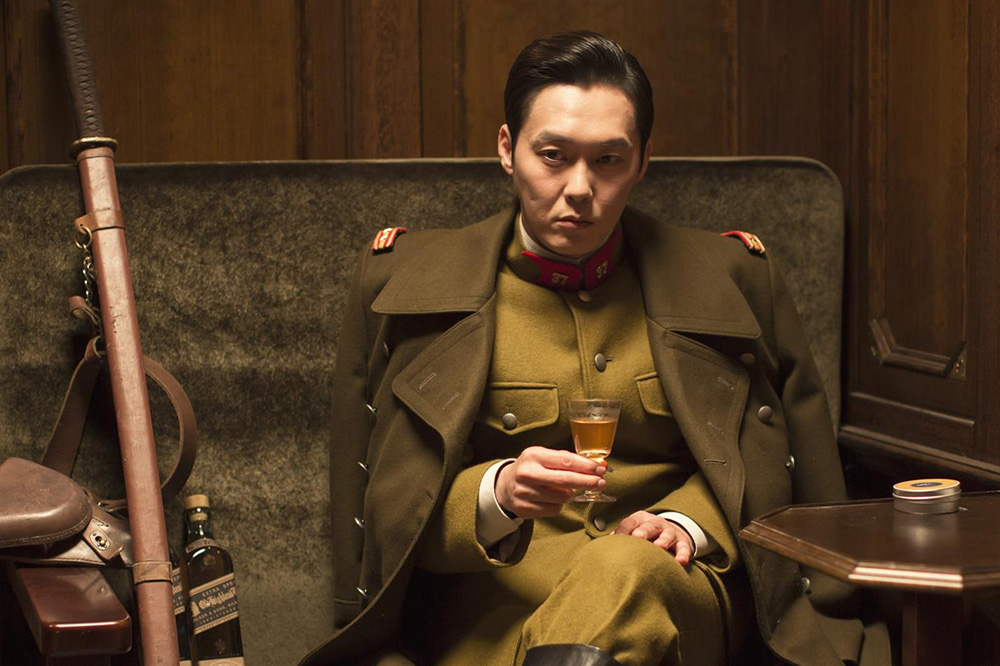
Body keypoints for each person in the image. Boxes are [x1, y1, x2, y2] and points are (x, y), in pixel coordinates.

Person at [302, 30, 888, 666]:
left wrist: (688, 523)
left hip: (676, 592)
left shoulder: (736, 280)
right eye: (553, 155)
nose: (580, 187)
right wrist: (496, 494)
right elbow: (381, 515)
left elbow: (781, 463)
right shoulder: (405, 285)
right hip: (493, 618)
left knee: (622, 568)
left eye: (608, 159)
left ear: (642, 161)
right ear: (508, 149)